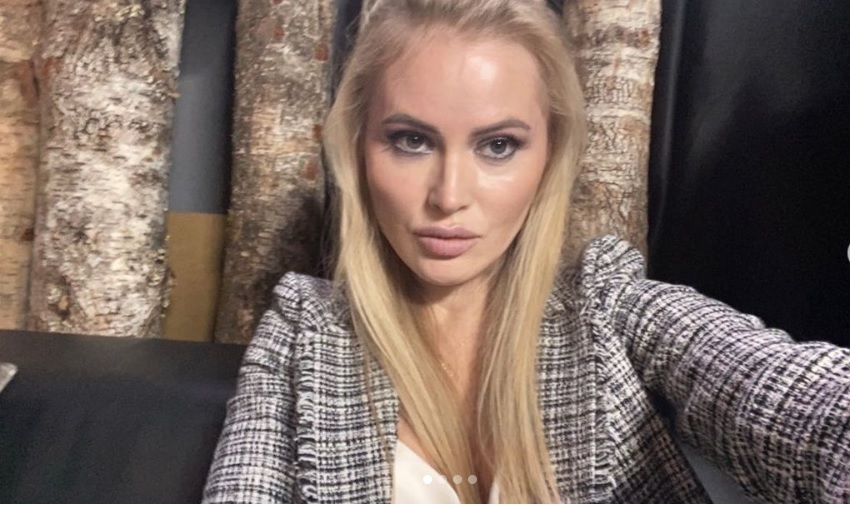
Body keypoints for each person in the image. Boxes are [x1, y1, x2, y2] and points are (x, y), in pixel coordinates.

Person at [202, 0, 850, 502]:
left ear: (549, 157)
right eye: (411, 140)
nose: (449, 196)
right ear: (357, 148)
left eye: (498, 146)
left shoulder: (607, 312)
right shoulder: (304, 333)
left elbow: (808, 410)